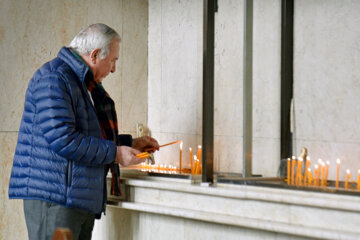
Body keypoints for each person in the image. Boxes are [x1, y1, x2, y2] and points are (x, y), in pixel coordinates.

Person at [8, 23, 159, 240]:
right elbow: (64, 139)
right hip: (56, 199)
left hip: (74, 198)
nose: (114, 69)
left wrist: (130, 144)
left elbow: (88, 133)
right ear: (95, 55)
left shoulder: (81, 83)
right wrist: (116, 153)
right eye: (113, 61)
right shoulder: (54, 78)